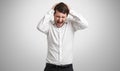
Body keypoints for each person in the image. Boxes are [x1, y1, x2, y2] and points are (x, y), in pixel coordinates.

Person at [37, 2, 88, 71]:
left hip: (67, 68)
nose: (60, 20)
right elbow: (40, 27)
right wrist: (51, 10)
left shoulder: (71, 25)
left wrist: (71, 11)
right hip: (51, 67)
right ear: (54, 15)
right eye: (58, 16)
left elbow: (85, 24)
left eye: (63, 17)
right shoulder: (49, 26)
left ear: (67, 16)